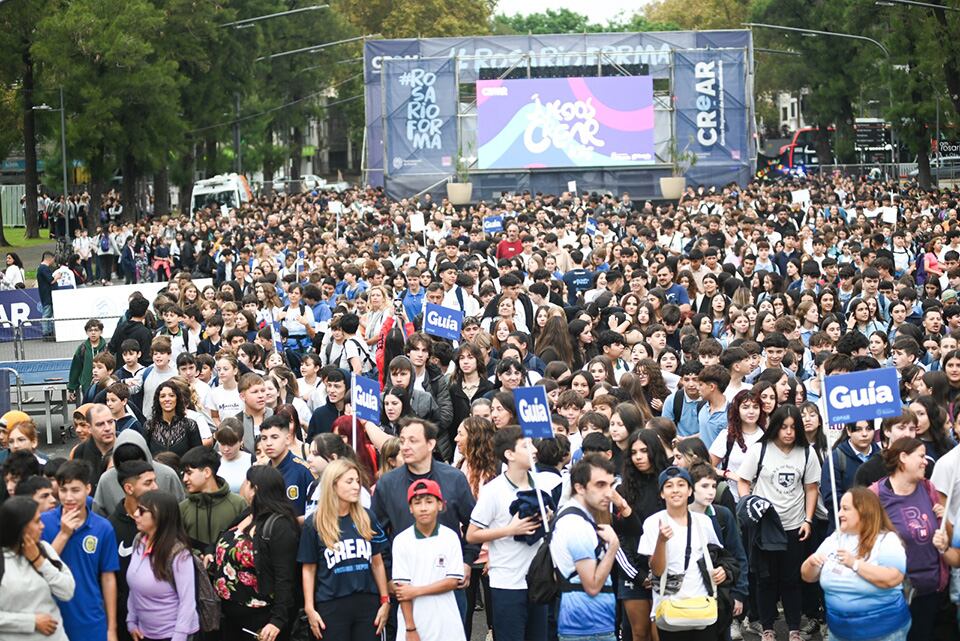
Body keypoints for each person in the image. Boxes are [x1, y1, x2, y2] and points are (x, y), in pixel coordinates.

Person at [371, 418, 477, 633]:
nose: (405, 446)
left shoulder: (453, 479)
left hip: (449, 581)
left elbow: (474, 523)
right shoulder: (388, 483)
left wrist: (466, 561)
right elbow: (376, 533)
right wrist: (390, 574)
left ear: (431, 444)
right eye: (402, 441)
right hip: (407, 584)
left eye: (413, 440)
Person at [737, 405, 820, 641]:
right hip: (765, 527)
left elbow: (811, 488)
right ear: (775, 427)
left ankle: (794, 628)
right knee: (765, 580)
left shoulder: (806, 452)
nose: (789, 432)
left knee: (791, 580)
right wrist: (749, 504)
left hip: (794, 526)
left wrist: (808, 519)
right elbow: (743, 481)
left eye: (794, 428)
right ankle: (767, 628)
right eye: (784, 427)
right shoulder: (759, 450)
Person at [465, 427, 548, 641]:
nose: (534, 450)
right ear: (509, 454)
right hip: (507, 583)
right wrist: (511, 530)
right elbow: (472, 535)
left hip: (538, 581)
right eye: (526, 445)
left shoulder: (541, 483)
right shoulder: (494, 490)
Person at [801, 487, 911, 641]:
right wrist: (811, 563)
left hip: (883, 634)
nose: (839, 514)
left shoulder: (887, 540)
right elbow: (807, 577)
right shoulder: (835, 538)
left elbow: (893, 578)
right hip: (839, 634)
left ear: (864, 511)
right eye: (840, 508)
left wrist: (855, 564)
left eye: (845, 509)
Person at [299, 459, 390, 641]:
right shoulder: (314, 524)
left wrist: (385, 600)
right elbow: (309, 568)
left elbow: (377, 562)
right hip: (331, 604)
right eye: (349, 481)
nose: (356, 486)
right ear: (333, 485)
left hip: (367, 602)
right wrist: (309, 607)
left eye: (357, 481)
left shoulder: (366, 516)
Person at [210, 465, 301, 641]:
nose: (243, 485)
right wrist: (209, 552)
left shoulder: (280, 525)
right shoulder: (248, 513)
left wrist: (277, 620)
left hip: (260, 618)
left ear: (255, 489)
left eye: (247, 481)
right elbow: (224, 537)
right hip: (228, 614)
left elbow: (285, 577)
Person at [638, 466, 727, 641]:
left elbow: (719, 557)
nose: (675, 490)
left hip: (702, 606)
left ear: (690, 491)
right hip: (670, 607)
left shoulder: (704, 522)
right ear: (662, 493)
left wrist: (722, 570)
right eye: (669, 486)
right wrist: (661, 541)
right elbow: (656, 570)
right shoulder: (653, 523)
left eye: (681, 484)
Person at [870, 437, 946, 641]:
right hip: (893, 594)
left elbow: (943, 537)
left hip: (929, 591)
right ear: (903, 457)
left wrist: (943, 522)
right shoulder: (875, 495)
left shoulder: (929, 489)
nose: (926, 461)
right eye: (921, 456)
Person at [41, 460, 120, 641]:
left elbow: (108, 578)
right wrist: (63, 534)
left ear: (88, 489)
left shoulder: (103, 528)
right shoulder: (42, 523)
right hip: (51, 620)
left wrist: (112, 629)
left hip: (90, 620)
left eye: (75, 490)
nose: (68, 497)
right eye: (63, 490)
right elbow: (38, 569)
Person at [550, 454, 620, 641]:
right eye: (600, 485)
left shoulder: (581, 518)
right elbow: (592, 585)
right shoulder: (576, 525)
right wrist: (613, 547)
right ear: (579, 488)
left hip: (590, 625)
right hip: (587, 627)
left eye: (610, 485)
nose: (608, 493)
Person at [392, 478, 467, 641]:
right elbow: (403, 590)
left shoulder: (450, 537)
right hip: (415, 621)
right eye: (417, 503)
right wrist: (410, 628)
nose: (423, 508)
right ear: (410, 508)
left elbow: (452, 582)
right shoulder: (401, 541)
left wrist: (416, 591)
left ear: (440, 505)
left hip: (447, 621)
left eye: (429, 502)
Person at [126, 490, 199, 641]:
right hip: (144, 633)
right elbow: (134, 588)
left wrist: (179, 637)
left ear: (160, 515)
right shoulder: (139, 541)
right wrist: (131, 621)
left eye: (142, 511)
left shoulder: (179, 553)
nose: (135, 513)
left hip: (172, 634)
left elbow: (187, 602)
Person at [0, 496, 76, 641]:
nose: (42, 526)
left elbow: (67, 591)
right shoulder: (3, 559)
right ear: (20, 526)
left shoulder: (45, 549)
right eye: (36, 521)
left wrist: (39, 561)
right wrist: (31, 622)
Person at [107, 460, 158, 641]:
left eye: (154, 481)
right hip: (125, 620)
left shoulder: (162, 522)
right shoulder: (110, 528)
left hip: (162, 620)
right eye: (148, 483)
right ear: (129, 488)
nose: (156, 487)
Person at [178, 446, 246, 552]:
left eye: (189, 473)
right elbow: (177, 542)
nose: (185, 479)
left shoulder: (238, 504)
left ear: (207, 472)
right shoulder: (183, 508)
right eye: (183, 474)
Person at [260, 415, 315, 519]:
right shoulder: (262, 472)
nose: (268, 443)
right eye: (264, 438)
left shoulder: (303, 471)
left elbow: (316, 512)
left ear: (288, 439)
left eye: (274, 437)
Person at [144, 380, 203, 456]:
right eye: (162, 396)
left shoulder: (190, 425)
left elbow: (198, 456)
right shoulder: (149, 426)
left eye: (171, 395)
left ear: (177, 399)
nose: (167, 399)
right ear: (158, 400)